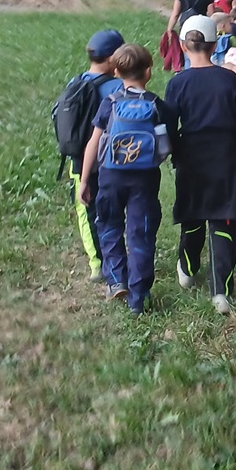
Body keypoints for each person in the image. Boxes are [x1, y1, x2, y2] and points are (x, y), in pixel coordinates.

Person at [162, 15, 236, 314]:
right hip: (225, 157)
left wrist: (177, 150)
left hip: (191, 158)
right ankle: (221, 292)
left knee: (193, 215)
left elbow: (169, 127)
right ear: (214, 46)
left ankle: (187, 269)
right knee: (224, 219)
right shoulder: (229, 79)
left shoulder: (177, 83)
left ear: (183, 46)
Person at [78, 43, 166, 315]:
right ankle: (139, 298)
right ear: (148, 71)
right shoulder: (156, 105)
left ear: (115, 72)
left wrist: (84, 180)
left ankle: (116, 280)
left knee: (109, 225)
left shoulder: (110, 103)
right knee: (141, 233)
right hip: (144, 179)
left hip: (110, 176)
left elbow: (93, 143)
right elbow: (165, 146)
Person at [57, 28, 125, 285]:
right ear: (112, 58)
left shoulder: (75, 83)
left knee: (88, 214)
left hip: (80, 164)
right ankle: (117, 261)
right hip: (112, 161)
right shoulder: (118, 86)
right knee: (114, 214)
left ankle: (97, 264)